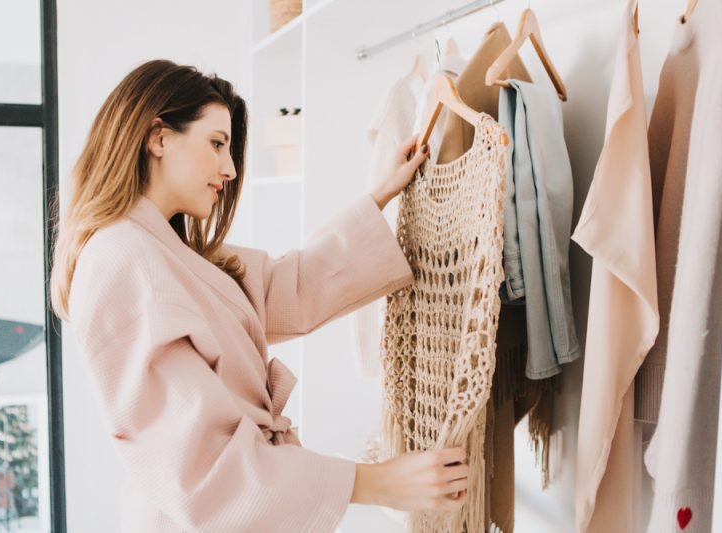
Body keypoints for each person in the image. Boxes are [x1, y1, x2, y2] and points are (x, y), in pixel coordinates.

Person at [50, 59, 468, 532]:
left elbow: (283, 288)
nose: (229, 169)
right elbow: (203, 468)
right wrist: (374, 483)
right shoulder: (120, 260)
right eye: (216, 144)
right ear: (158, 137)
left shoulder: (163, 249)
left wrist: (379, 196)